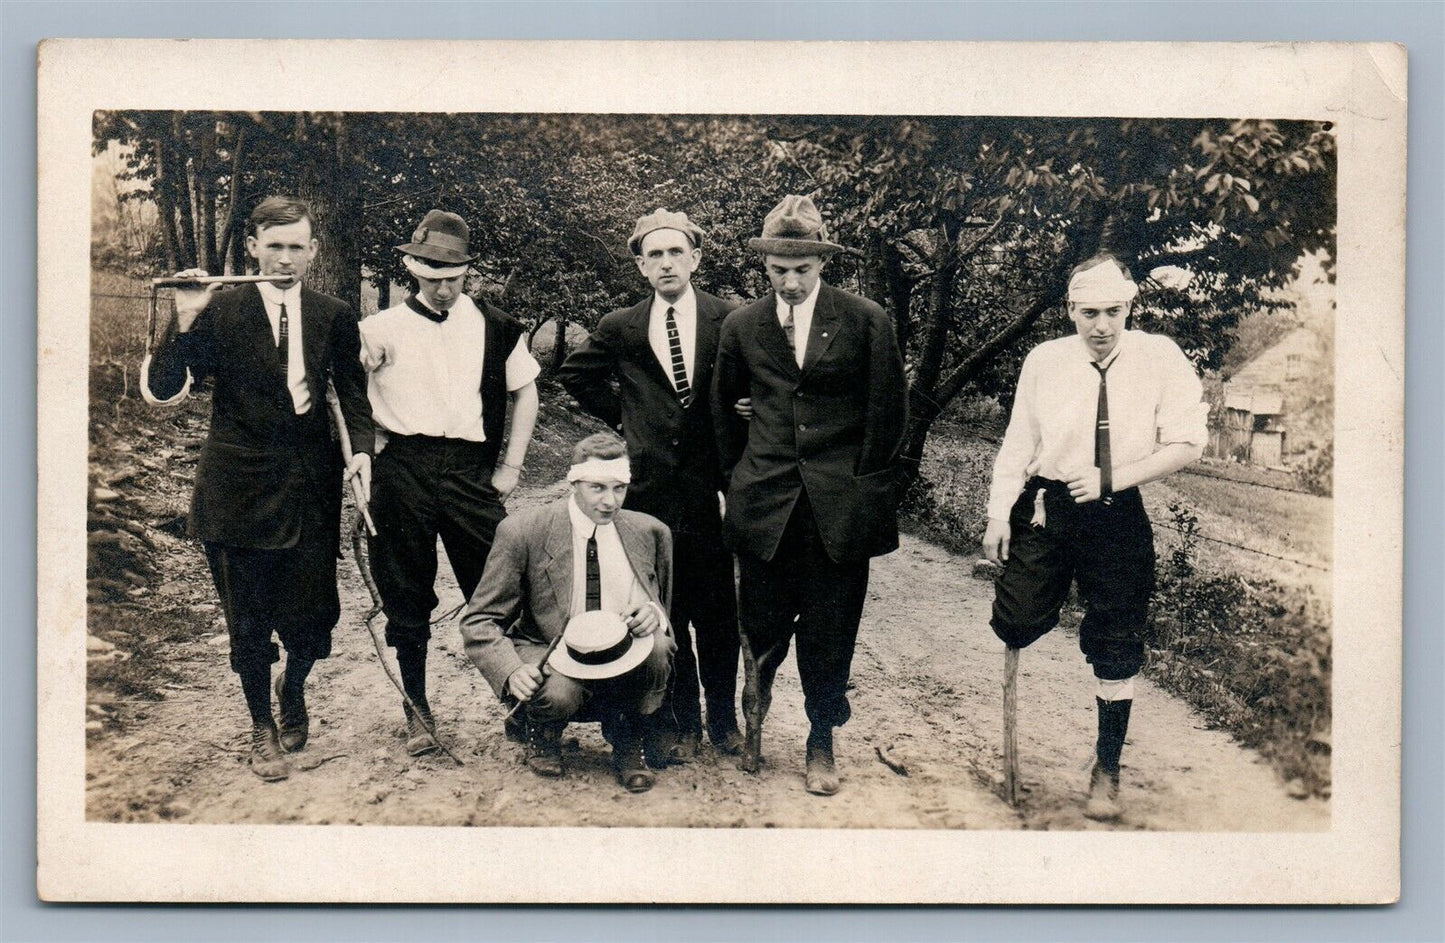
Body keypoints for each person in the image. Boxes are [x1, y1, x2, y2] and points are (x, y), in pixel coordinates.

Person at [140, 195, 374, 781]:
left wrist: (362, 454)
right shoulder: (223, 310)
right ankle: (260, 727)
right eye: (275, 247)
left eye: (297, 247)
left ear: (314, 250)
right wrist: (187, 315)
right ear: (252, 248)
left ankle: (293, 688)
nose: (286, 259)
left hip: (311, 487)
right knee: (247, 619)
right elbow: (166, 387)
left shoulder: (334, 312)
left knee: (314, 620)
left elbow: (353, 393)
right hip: (237, 488)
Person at [982, 252, 1208, 820]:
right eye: (1088, 313)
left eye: (1112, 311)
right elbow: (1017, 442)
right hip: (1048, 505)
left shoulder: (1161, 357)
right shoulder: (1045, 360)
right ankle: (1007, 746)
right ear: (1070, 310)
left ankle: (1106, 766)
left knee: (1117, 636)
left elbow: (1188, 442)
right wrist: (996, 513)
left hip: (1116, 509)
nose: (1101, 326)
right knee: (1016, 615)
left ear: (1130, 305)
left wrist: (1114, 476)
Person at [712, 194, 908, 796]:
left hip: (836, 510)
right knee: (761, 622)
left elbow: (889, 415)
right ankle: (755, 724)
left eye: (803, 269)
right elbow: (725, 411)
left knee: (830, 630)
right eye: (779, 270)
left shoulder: (866, 319)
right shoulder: (742, 324)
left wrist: (860, 492)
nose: (791, 282)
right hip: (765, 504)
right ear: (764, 266)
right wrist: (736, 483)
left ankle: (821, 737)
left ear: (823, 263)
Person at [557, 208, 743, 762]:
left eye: (676, 252)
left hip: (710, 488)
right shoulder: (622, 325)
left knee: (717, 614)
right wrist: (629, 422)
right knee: (668, 605)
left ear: (696, 258)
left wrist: (744, 415)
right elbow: (575, 373)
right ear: (641, 265)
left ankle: (725, 718)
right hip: (651, 491)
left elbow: (754, 378)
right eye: (654, 255)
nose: (666, 263)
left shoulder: (729, 319)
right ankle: (683, 718)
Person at [359, 209, 540, 755]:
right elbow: (341, 399)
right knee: (405, 594)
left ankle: (522, 705)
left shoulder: (496, 325)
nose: (442, 286)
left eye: (453, 276)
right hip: (402, 472)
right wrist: (370, 446)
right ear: (411, 266)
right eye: (431, 273)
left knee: (501, 588)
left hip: (469, 473)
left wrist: (509, 468)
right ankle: (416, 707)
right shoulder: (378, 329)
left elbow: (526, 392)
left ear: (468, 273)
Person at [458, 433, 676, 793]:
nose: (610, 502)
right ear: (572, 482)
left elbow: (663, 603)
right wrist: (511, 671)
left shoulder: (650, 532)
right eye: (597, 488)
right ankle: (542, 730)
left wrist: (653, 614)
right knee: (557, 693)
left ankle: (629, 736)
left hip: (621, 648)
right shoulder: (523, 531)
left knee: (657, 648)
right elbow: (479, 619)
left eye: (620, 488)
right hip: (551, 647)